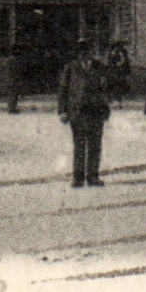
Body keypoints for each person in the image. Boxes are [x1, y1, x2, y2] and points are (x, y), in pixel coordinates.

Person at [58, 32, 111, 187]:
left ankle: (93, 176)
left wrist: (106, 109)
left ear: (91, 52)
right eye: (81, 50)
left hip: (96, 111)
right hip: (77, 112)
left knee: (95, 145)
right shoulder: (70, 68)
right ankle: (78, 177)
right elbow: (63, 90)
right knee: (79, 146)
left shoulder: (99, 67)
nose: (84, 54)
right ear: (77, 53)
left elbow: (105, 89)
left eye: (87, 50)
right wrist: (62, 111)